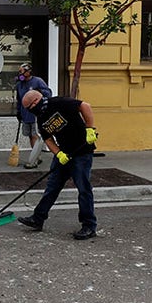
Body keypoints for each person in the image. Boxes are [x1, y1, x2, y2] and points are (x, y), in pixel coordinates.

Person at [16, 89, 99, 240]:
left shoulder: (60, 102)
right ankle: (38, 218)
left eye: (30, 107)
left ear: (36, 101)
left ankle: (89, 225)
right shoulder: (41, 119)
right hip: (64, 154)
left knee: (83, 188)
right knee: (52, 187)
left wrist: (90, 129)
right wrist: (58, 154)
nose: (30, 111)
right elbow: (48, 139)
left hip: (81, 152)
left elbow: (85, 106)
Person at [13, 63, 52, 169]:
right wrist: (18, 112)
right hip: (25, 114)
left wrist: (39, 92)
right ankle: (37, 156)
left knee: (35, 135)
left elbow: (48, 93)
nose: (20, 74)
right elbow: (19, 100)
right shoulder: (19, 85)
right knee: (30, 135)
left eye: (21, 71)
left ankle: (34, 160)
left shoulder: (37, 81)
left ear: (28, 72)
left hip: (35, 114)